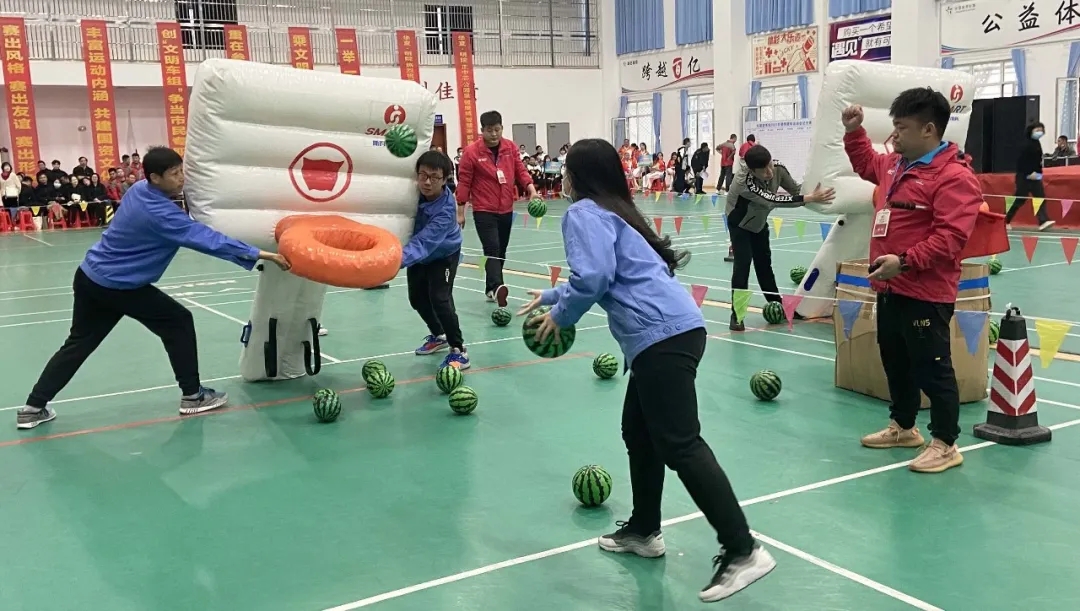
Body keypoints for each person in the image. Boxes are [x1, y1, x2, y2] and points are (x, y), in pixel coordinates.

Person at [517, 138, 775, 603]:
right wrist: (553, 295)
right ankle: (643, 530)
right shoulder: (618, 212)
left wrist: (561, 315)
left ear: (576, 176)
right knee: (638, 432)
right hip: (675, 330)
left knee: (680, 443)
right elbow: (620, 272)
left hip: (660, 338)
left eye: (568, 170)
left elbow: (595, 277)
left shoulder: (583, 213)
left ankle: (743, 550)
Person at [15, 146, 290, 430]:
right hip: (120, 286)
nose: (181, 178)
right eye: (174, 174)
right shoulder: (161, 214)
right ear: (155, 177)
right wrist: (260, 254)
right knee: (178, 321)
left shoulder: (138, 189)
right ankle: (193, 396)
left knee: (78, 344)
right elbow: (206, 239)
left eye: (182, 171)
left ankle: (33, 408)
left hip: (90, 276)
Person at [842, 87, 983, 473]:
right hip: (889, 286)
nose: (895, 135)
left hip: (925, 291)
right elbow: (866, 164)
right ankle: (904, 427)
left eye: (902, 128)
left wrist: (904, 262)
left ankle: (946, 443)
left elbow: (950, 238)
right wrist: (854, 132)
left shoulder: (954, 177)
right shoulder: (894, 165)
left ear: (929, 129)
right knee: (896, 361)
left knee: (932, 368)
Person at [725, 144, 834, 331]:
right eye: (763, 170)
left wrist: (818, 192)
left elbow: (796, 190)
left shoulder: (778, 169)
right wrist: (809, 198)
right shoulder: (744, 183)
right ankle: (737, 314)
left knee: (764, 265)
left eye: (770, 165)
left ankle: (777, 304)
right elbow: (772, 200)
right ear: (752, 170)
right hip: (740, 225)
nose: (769, 172)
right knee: (742, 267)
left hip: (759, 223)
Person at [455, 110, 540, 307]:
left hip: (506, 209)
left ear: (502, 128)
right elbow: (464, 183)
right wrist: (460, 213)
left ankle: (490, 288)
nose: (494, 134)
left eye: (497, 129)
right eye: (489, 130)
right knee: (492, 248)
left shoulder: (510, 148)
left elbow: (520, 171)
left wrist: (532, 191)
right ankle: (497, 287)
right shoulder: (471, 153)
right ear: (482, 130)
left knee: (501, 250)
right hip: (483, 210)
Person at [401, 150, 469, 370]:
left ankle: (459, 349)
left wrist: (392, 261)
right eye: (423, 175)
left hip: (443, 254)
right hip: (417, 254)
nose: (427, 182)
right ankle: (439, 335)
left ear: (445, 179)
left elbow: (424, 243)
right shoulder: (412, 194)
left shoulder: (446, 210)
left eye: (434, 177)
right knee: (417, 299)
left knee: (440, 299)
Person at [1005, 121, 1054, 231]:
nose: (1040, 132)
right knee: (1020, 198)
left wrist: (1039, 173)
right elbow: (1021, 161)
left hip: (1035, 176)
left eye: (1041, 130)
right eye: (1037, 130)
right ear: (1031, 131)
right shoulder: (1025, 144)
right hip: (1023, 176)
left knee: (1040, 197)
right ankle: (1005, 219)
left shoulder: (1037, 143)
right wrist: (1028, 173)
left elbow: (1038, 161)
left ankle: (1043, 221)